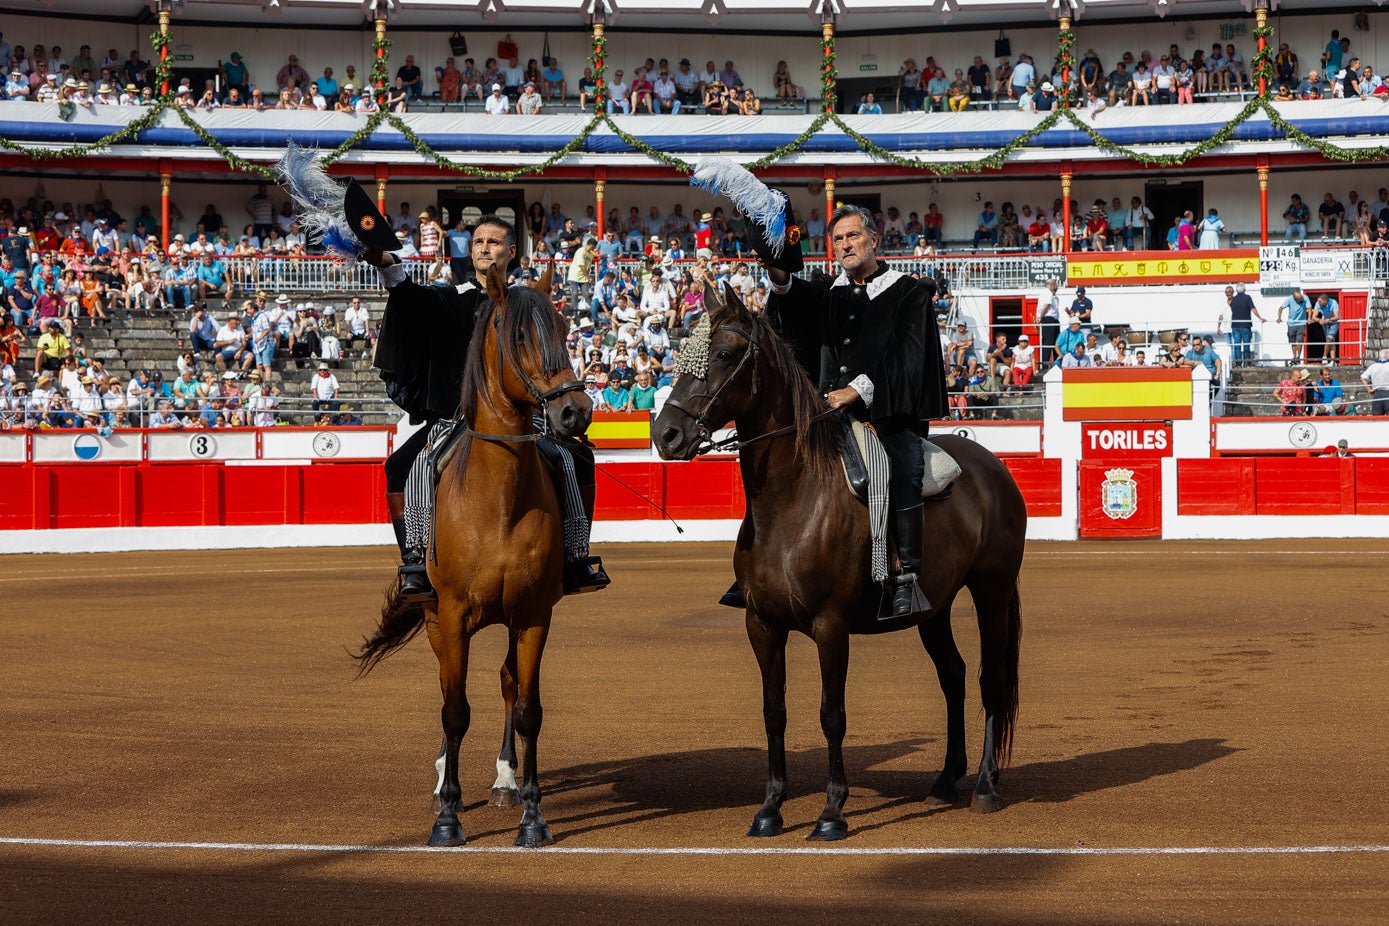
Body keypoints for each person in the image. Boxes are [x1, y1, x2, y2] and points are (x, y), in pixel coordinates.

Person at [358, 199, 607, 600]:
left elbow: (550, 352)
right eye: (477, 241)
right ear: (469, 250)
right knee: (404, 466)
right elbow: (407, 297)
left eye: (494, 242)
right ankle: (417, 560)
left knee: (575, 457)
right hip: (459, 419)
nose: (484, 247)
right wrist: (388, 263)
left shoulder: (529, 303)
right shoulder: (450, 298)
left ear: (511, 252)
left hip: (526, 416)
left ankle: (577, 557)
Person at [762, 203, 947, 617]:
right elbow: (792, 298)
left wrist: (855, 391)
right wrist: (777, 271)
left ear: (874, 239)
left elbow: (906, 359)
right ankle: (764, 567)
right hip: (828, 412)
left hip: (887, 413)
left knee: (901, 464)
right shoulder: (830, 291)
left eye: (853, 236)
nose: (846, 245)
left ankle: (906, 575)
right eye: (839, 239)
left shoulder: (908, 292)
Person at [1223, 282, 1264, 366]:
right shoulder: (1247, 298)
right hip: (1245, 325)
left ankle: (1238, 363)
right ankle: (1248, 363)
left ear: (1236, 290)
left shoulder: (1233, 300)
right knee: (1246, 344)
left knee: (1237, 345)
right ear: (1244, 289)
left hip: (1235, 325)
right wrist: (1260, 317)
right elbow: (1253, 308)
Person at [1277, 287, 1312, 365]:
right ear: (1295, 299)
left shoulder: (1305, 298)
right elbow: (1281, 308)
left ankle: (1298, 357)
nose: (1302, 301)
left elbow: (1309, 308)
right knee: (1292, 341)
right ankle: (1294, 356)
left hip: (1301, 323)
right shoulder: (1290, 299)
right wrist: (1279, 317)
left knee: (1299, 340)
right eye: (1300, 300)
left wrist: (1309, 318)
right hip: (1291, 323)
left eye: (1301, 298)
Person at [1361, 348, 1389, 415]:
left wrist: (1369, 389)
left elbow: (1362, 377)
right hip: (1388, 393)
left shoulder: (1373, 366)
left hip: (1377, 393)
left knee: (1377, 418)